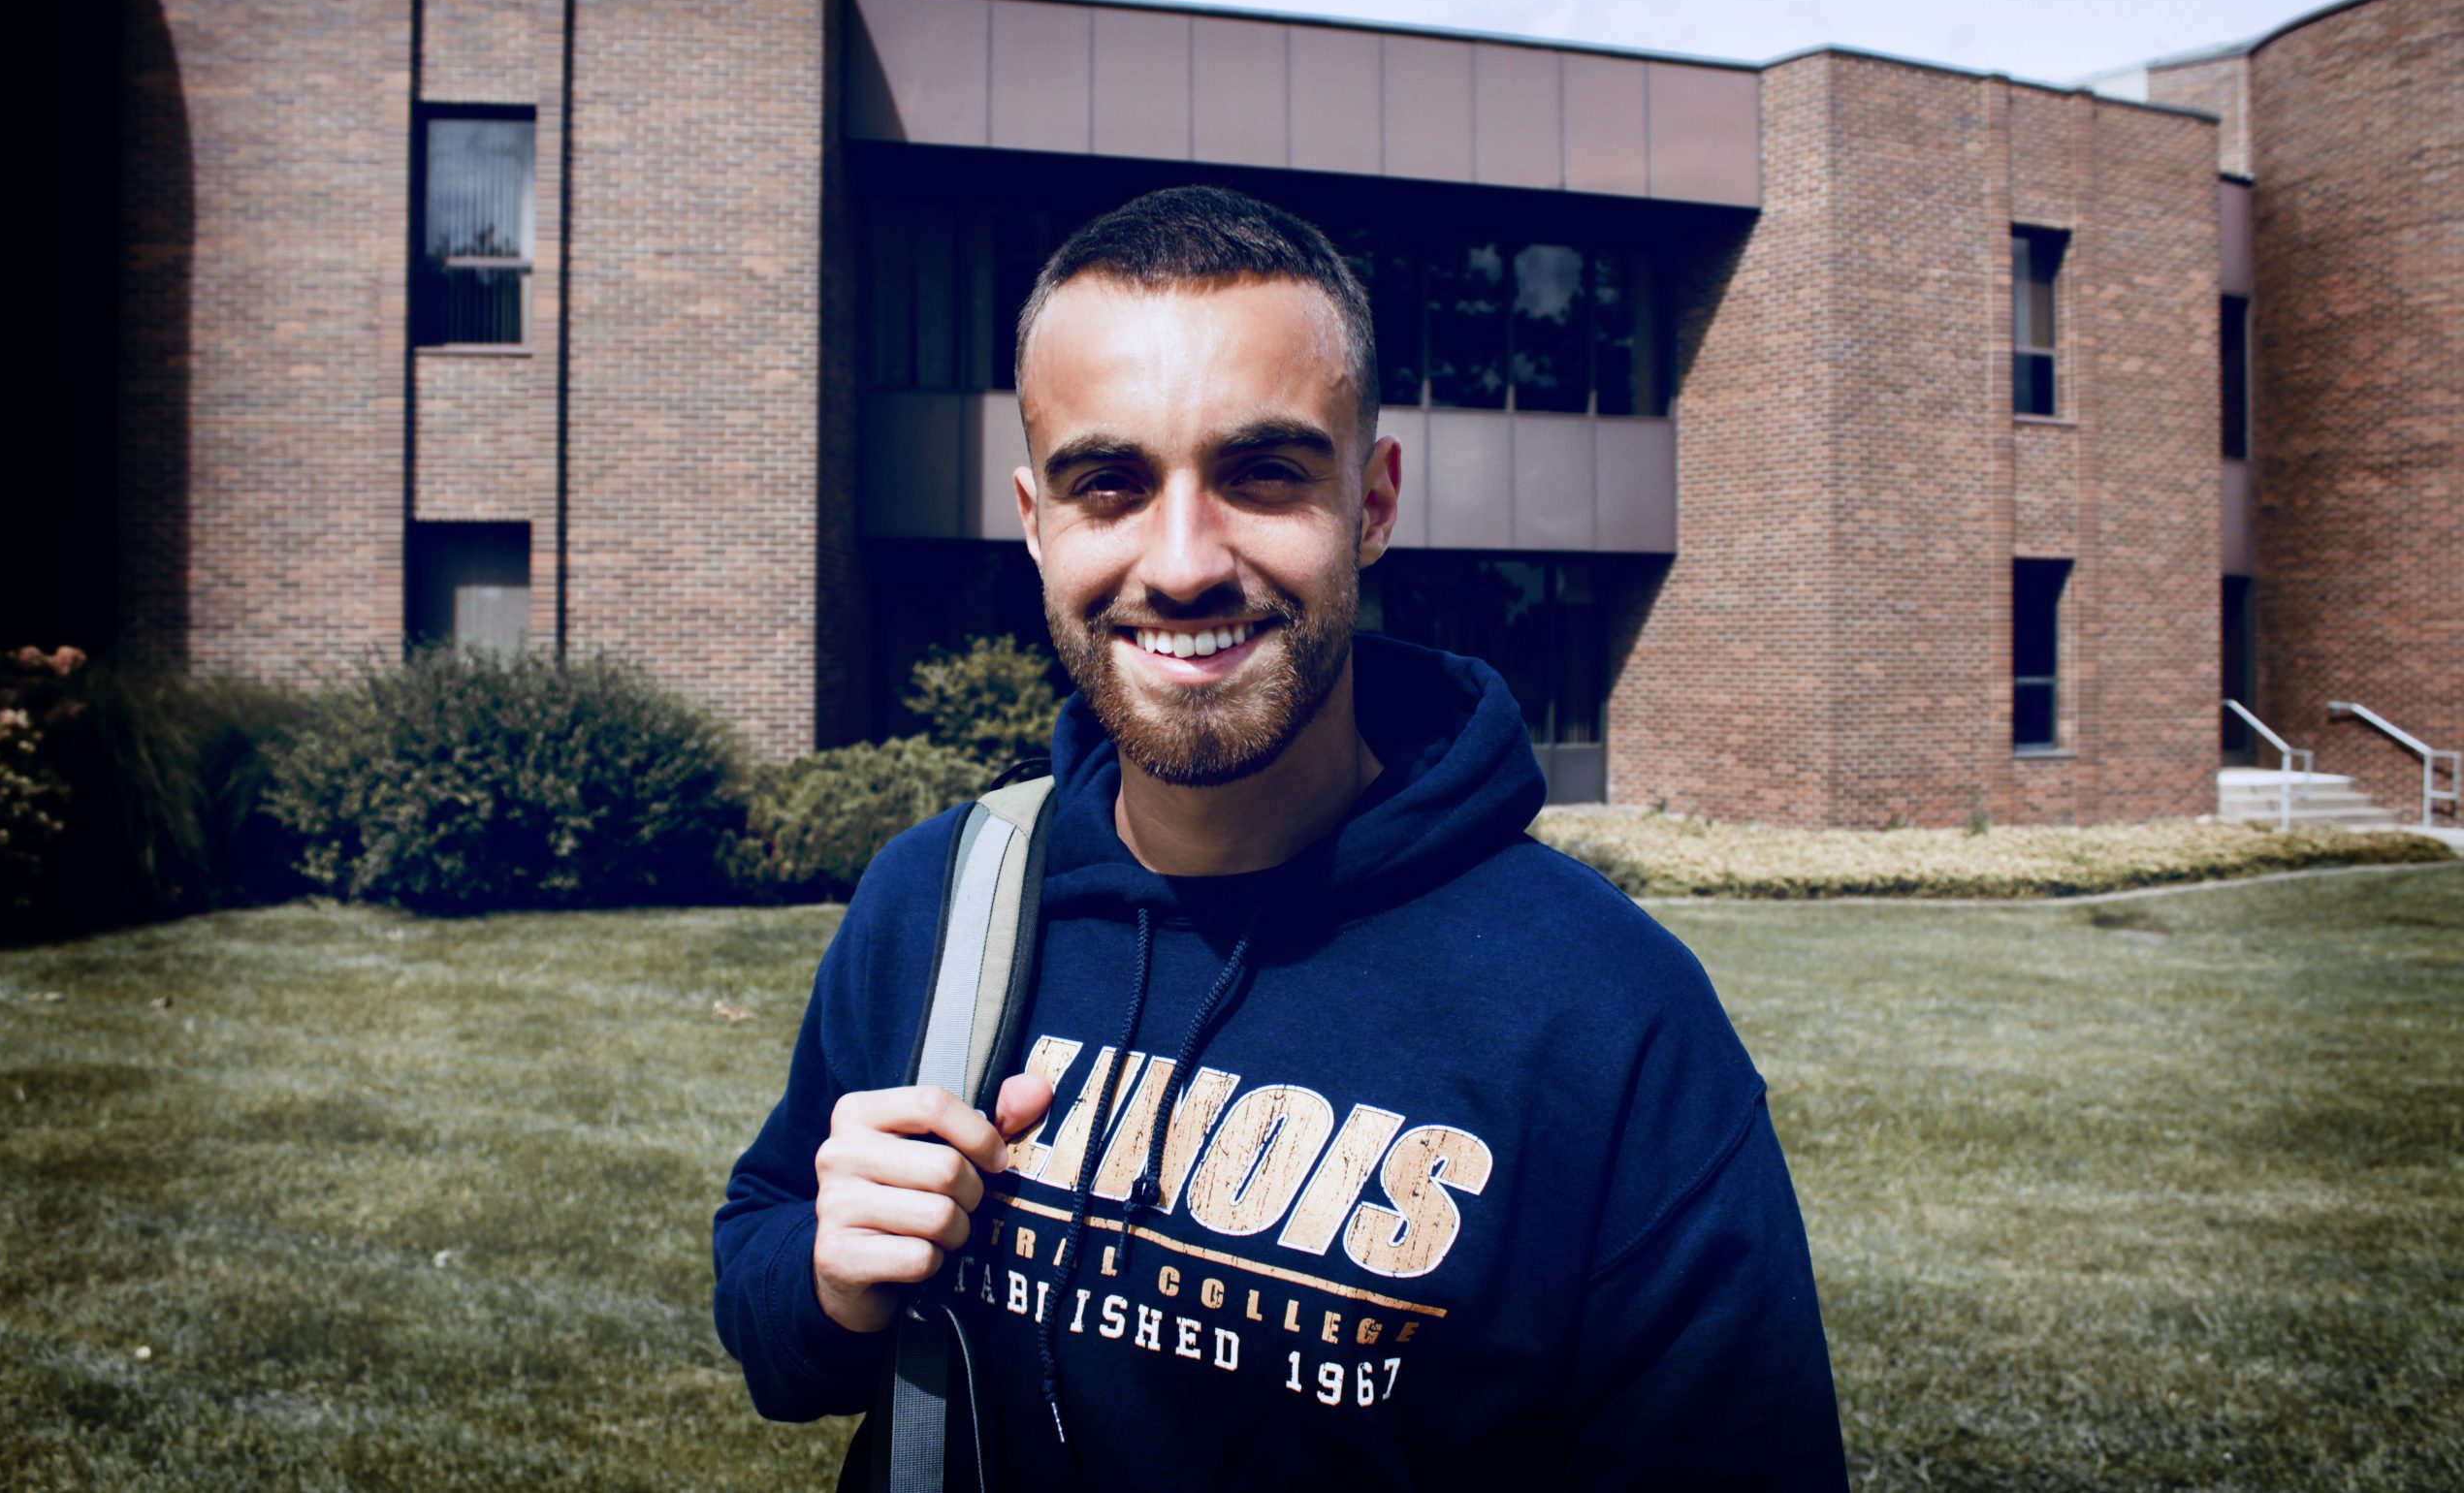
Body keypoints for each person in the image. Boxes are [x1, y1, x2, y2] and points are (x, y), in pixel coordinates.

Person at [714, 185, 1847, 1489]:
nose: (1185, 561)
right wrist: (823, 1281)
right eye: (1110, 484)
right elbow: (767, 1304)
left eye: (1262, 474)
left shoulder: (1610, 1022)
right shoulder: (938, 900)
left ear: (1371, 503)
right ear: (1038, 524)